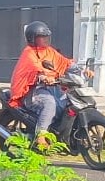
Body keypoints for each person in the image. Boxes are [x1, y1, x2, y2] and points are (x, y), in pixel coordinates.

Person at [9, 21, 88, 151]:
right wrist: (43, 76)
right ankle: (41, 135)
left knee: (66, 102)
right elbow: (35, 68)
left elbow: (66, 63)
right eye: (42, 37)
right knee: (49, 103)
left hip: (51, 88)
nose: (45, 40)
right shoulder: (29, 53)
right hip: (31, 91)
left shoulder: (49, 51)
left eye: (46, 37)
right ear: (33, 39)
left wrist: (82, 70)